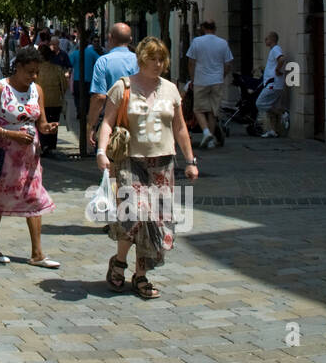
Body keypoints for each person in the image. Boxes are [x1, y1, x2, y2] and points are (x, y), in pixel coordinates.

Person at [95, 37, 199, 299]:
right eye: (152, 58)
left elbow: (179, 127)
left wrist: (190, 161)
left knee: (155, 221)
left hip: (163, 163)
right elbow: (107, 122)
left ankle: (140, 275)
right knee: (136, 214)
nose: (158, 63)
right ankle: (119, 261)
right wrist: (100, 151)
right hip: (132, 161)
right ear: (141, 60)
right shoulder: (123, 87)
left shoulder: (171, 90)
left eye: (162, 59)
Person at [0, 45, 60, 267]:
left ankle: (37, 253)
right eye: (29, 71)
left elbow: (40, 123)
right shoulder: (0, 89)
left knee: (34, 198)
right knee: (1, 198)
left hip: (30, 155)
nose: (33, 76)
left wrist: (47, 128)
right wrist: (10, 134)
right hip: (6, 153)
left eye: (36, 72)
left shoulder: (37, 90)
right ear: (18, 68)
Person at [86, 23, 141, 152]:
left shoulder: (103, 62)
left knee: (109, 163)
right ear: (130, 40)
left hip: (111, 122)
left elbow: (99, 97)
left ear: (110, 37)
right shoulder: (139, 61)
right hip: (137, 119)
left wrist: (91, 126)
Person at [186, 19, 233, 147]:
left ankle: (206, 132)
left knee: (198, 109)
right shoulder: (223, 43)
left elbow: (191, 62)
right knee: (212, 111)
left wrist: (193, 78)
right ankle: (211, 141)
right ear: (215, 28)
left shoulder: (197, 42)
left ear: (203, 28)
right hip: (217, 80)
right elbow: (228, 64)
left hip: (201, 80)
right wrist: (222, 76)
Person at [35, 45, 68, 155]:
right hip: (55, 101)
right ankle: (51, 146)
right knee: (53, 122)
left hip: (40, 102)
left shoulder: (36, 69)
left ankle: (43, 145)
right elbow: (64, 85)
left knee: (41, 123)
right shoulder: (57, 69)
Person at [256, 31, 288, 137]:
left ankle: (282, 114)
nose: (265, 41)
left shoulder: (275, 49)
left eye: (267, 39)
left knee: (260, 103)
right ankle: (273, 130)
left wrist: (278, 70)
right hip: (274, 84)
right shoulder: (273, 50)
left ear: (272, 39)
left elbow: (282, 59)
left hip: (273, 84)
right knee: (271, 108)